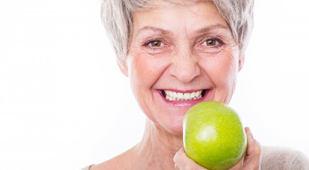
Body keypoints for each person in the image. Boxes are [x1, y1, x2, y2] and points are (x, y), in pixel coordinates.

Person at [82, 0, 309, 169]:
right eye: (156, 43)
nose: (185, 72)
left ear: (240, 55)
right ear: (123, 58)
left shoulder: (288, 166)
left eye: (211, 42)